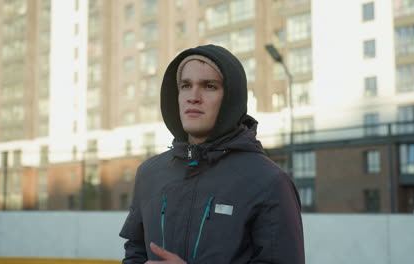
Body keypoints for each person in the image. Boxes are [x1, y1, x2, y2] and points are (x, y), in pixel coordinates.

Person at [119, 44, 305, 264]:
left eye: (209, 86)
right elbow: (135, 253)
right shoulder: (149, 174)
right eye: (185, 85)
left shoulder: (268, 182)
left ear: (231, 98)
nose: (193, 97)